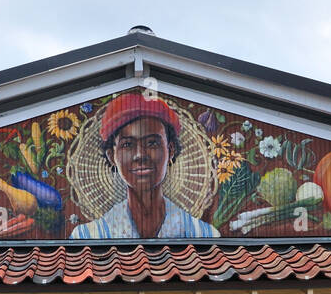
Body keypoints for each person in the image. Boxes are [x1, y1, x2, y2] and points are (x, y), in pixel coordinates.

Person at [70, 92, 220, 240]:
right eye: (127, 144)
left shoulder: (204, 235)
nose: (140, 155)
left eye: (152, 143)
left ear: (171, 150)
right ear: (111, 157)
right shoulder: (87, 236)